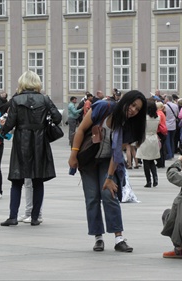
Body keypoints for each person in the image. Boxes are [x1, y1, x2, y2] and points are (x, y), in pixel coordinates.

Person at [68, 90, 146, 253]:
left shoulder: (129, 125)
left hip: (107, 161)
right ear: (125, 101)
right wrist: (73, 155)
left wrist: (110, 177)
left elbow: (117, 154)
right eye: (132, 105)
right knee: (92, 197)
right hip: (88, 159)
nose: (133, 110)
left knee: (109, 195)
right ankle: (98, 237)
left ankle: (119, 238)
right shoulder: (103, 107)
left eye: (137, 109)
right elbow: (81, 130)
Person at [0, 71, 61, 226]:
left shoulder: (16, 99)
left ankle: (13, 216)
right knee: (38, 180)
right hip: (40, 140)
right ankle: (34, 217)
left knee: (17, 179)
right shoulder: (45, 99)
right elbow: (58, 118)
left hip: (21, 139)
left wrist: (3, 130)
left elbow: (11, 121)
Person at [136, 100, 161, 187]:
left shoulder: (144, 118)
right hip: (154, 138)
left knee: (145, 161)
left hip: (145, 139)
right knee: (152, 161)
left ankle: (148, 180)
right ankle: (155, 178)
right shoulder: (158, 117)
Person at [164, 95, 179, 160]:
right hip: (173, 125)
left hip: (167, 124)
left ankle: (169, 154)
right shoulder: (175, 106)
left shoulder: (165, 106)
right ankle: (172, 153)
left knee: (167, 141)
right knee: (172, 140)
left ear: (167, 100)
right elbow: (177, 114)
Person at [155, 101, 168, 168]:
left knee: (160, 148)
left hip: (160, 131)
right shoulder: (162, 113)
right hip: (163, 131)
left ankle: (160, 162)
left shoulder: (159, 113)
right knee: (162, 148)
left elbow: (157, 122)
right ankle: (161, 162)